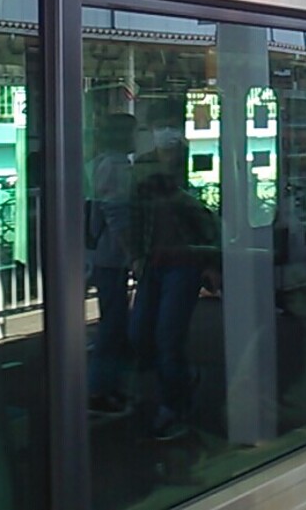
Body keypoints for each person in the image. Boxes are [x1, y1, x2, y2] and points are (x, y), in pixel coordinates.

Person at [128, 104, 220, 441]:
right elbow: (136, 215)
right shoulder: (144, 172)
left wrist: (211, 263)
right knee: (140, 333)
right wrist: (136, 255)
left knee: (168, 336)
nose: (166, 136)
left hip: (185, 264)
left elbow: (206, 220)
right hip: (154, 263)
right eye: (160, 128)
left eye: (171, 128)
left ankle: (174, 405)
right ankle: (178, 382)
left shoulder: (192, 169)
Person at [86, 113, 137, 416]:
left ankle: (107, 386)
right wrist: (134, 253)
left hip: (99, 254)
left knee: (113, 321)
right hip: (111, 257)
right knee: (112, 325)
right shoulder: (117, 167)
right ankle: (99, 390)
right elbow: (117, 216)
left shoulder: (98, 163)